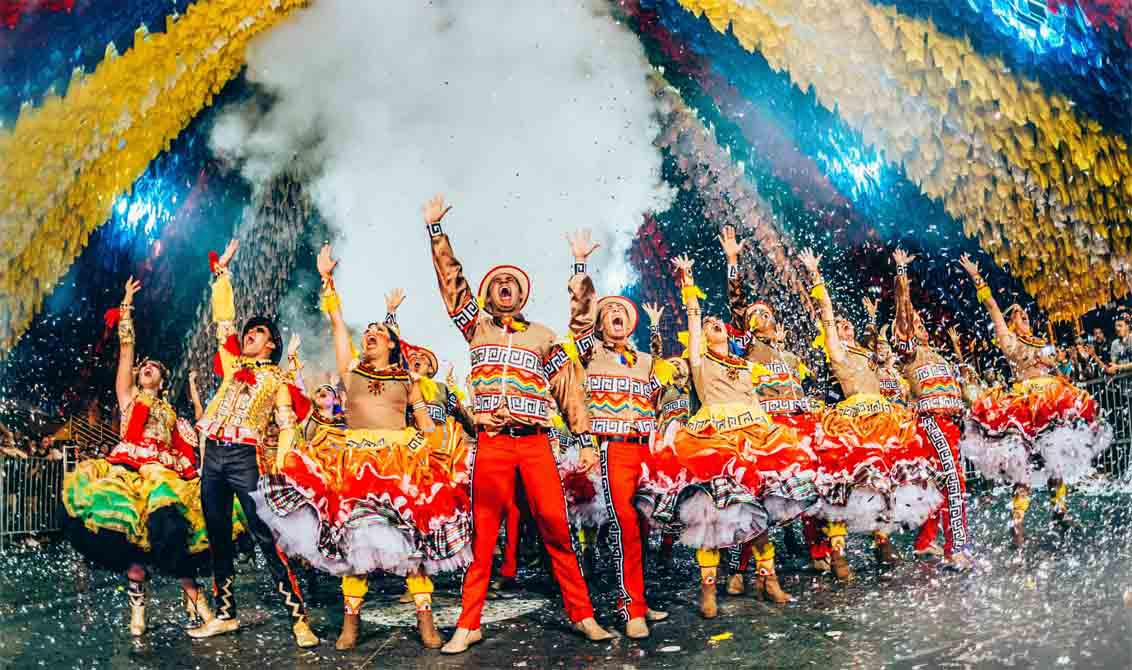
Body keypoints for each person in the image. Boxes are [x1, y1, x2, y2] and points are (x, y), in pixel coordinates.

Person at [421, 194, 612, 654]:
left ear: (523, 294)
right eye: (498, 282)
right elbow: (452, 285)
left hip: (535, 443)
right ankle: (469, 623)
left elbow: (569, 386)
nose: (505, 285)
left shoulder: (544, 336)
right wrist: (435, 233)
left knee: (555, 526)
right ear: (487, 296)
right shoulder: (475, 328)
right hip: (492, 443)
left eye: (513, 282)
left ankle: (583, 615)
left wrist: (580, 267)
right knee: (484, 533)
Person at [255, 250, 472, 650]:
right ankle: (350, 622)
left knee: (412, 540)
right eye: (367, 330)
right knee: (355, 539)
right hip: (353, 460)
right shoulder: (351, 371)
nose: (369, 332)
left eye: (378, 331)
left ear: (391, 343)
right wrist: (327, 282)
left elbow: (424, 425)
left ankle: (425, 618)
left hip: (402, 459)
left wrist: (439, 453)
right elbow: (338, 323)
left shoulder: (408, 379)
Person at [641, 255, 815, 617]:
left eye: (718, 322)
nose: (714, 323)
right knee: (713, 517)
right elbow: (693, 318)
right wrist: (688, 283)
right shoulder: (699, 361)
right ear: (702, 337)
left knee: (759, 512)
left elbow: (767, 391)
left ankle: (770, 579)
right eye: (708, 324)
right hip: (715, 440)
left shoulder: (746, 365)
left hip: (755, 437)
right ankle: (708, 590)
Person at [61, 277, 217, 636]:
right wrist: (127, 305)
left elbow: (191, 443)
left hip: (164, 475)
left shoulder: (170, 413)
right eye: (143, 366)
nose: (146, 367)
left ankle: (198, 602)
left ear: (161, 380)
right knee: (132, 547)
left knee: (172, 540)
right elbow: (127, 347)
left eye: (154, 368)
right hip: (130, 473)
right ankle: (138, 613)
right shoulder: (128, 396)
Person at [187, 241, 318, 647]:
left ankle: (299, 618)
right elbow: (223, 320)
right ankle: (226, 614)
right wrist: (222, 275)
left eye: (258, 333)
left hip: (246, 458)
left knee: (265, 537)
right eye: (249, 332)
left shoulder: (278, 380)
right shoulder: (231, 364)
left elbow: (287, 424)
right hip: (214, 458)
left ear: (272, 344)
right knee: (218, 536)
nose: (248, 336)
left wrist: (281, 465)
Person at [958, 254, 1112, 547]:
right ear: (1012, 323)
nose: (1025, 318)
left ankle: (1060, 510)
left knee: (1055, 461)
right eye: (1019, 316)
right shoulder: (1009, 340)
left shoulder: (1040, 343)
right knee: (1023, 468)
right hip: (1025, 405)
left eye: (1025, 316)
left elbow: (1054, 365)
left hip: (1051, 400)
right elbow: (992, 307)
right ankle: (1017, 522)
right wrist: (977, 278)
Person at [799, 249, 940, 567]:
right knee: (843, 484)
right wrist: (815, 276)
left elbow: (888, 342)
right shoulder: (836, 353)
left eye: (848, 325)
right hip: (851, 420)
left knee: (883, 480)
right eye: (840, 325)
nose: (845, 327)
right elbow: (826, 312)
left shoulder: (865, 354)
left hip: (883, 417)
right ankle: (837, 552)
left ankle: (882, 540)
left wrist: (899, 278)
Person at [565, 230, 669, 638]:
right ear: (602, 325)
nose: (616, 316)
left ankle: (639, 597)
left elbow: (658, 401)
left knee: (643, 524)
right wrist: (580, 268)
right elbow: (578, 320)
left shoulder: (645, 361)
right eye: (608, 313)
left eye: (622, 312)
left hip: (647, 450)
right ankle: (631, 610)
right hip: (613, 451)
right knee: (625, 521)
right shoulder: (592, 353)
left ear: (631, 323)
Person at [891, 249, 972, 569]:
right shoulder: (910, 354)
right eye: (915, 322)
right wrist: (902, 277)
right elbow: (903, 316)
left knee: (940, 482)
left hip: (950, 423)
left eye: (922, 321)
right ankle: (956, 549)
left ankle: (925, 542)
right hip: (933, 423)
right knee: (954, 481)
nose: (919, 324)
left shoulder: (937, 355)